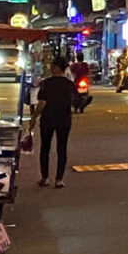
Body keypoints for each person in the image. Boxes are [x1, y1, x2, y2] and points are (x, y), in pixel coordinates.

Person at [29, 56, 78, 189]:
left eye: (52, 66)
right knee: (62, 149)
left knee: (45, 148)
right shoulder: (69, 84)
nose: (50, 68)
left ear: (56, 68)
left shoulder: (47, 83)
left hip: (48, 119)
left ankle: (45, 178)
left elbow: (42, 102)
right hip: (64, 119)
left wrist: (34, 118)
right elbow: (75, 102)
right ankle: (59, 180)